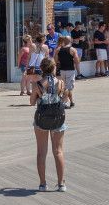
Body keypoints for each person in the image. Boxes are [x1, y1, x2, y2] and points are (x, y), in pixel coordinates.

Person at [29, 57, 68, 192]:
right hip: (58, 118)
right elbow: (65, 98)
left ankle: (42, 184)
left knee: (41, 153)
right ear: (53, 68)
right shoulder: (61, 83)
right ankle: (61, 184)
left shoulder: (37, 85)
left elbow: (32, 102)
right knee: (58, 151)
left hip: (42, 119)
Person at [56, 36, 78, 108]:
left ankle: (71, 102)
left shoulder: (59, 49)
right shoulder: (72, 50)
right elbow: (77, 61)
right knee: (68, 88)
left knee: (65, 87)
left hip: (62, 70)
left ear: (64, 41)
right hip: (70, 70)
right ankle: (63, 102)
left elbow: (55, 60)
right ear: (70, 40)